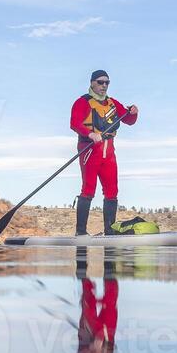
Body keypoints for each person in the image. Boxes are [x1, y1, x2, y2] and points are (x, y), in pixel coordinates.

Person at [70, 70, 138, 235]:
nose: (104, 86)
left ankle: (110, 230)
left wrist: (134, 113)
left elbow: (129, 121)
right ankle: (80, 232)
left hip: (109, 151)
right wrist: (90, 134)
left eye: (107, 82)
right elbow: (74, 123)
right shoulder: (82, 102)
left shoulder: (112, 103)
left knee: (112, 191)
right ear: (92, 82)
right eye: (100, 82)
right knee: (88, 189)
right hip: (89, 150)